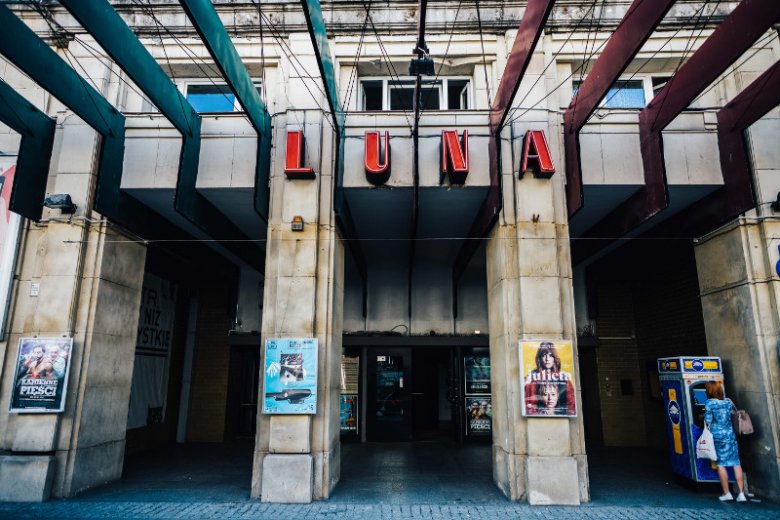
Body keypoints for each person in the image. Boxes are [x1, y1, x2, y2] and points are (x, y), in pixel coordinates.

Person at [704, 380, 746, 502]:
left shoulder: (710, 403)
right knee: (736, 463)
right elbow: (733, 414)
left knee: (721, 464)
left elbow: (708, 421)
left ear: (709, 391)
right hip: (730, 435)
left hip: (718, 437)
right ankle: (741, 494)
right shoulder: (728, 402)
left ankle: (727, 493)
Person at [524, 342, 575, 415]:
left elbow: (572, 404)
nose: (547, 359)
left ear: (554, 357)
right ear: (539, 358)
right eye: (544, 355)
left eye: (550, 355)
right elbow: (528, 403)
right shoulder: (531, 377)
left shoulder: (563, 377)